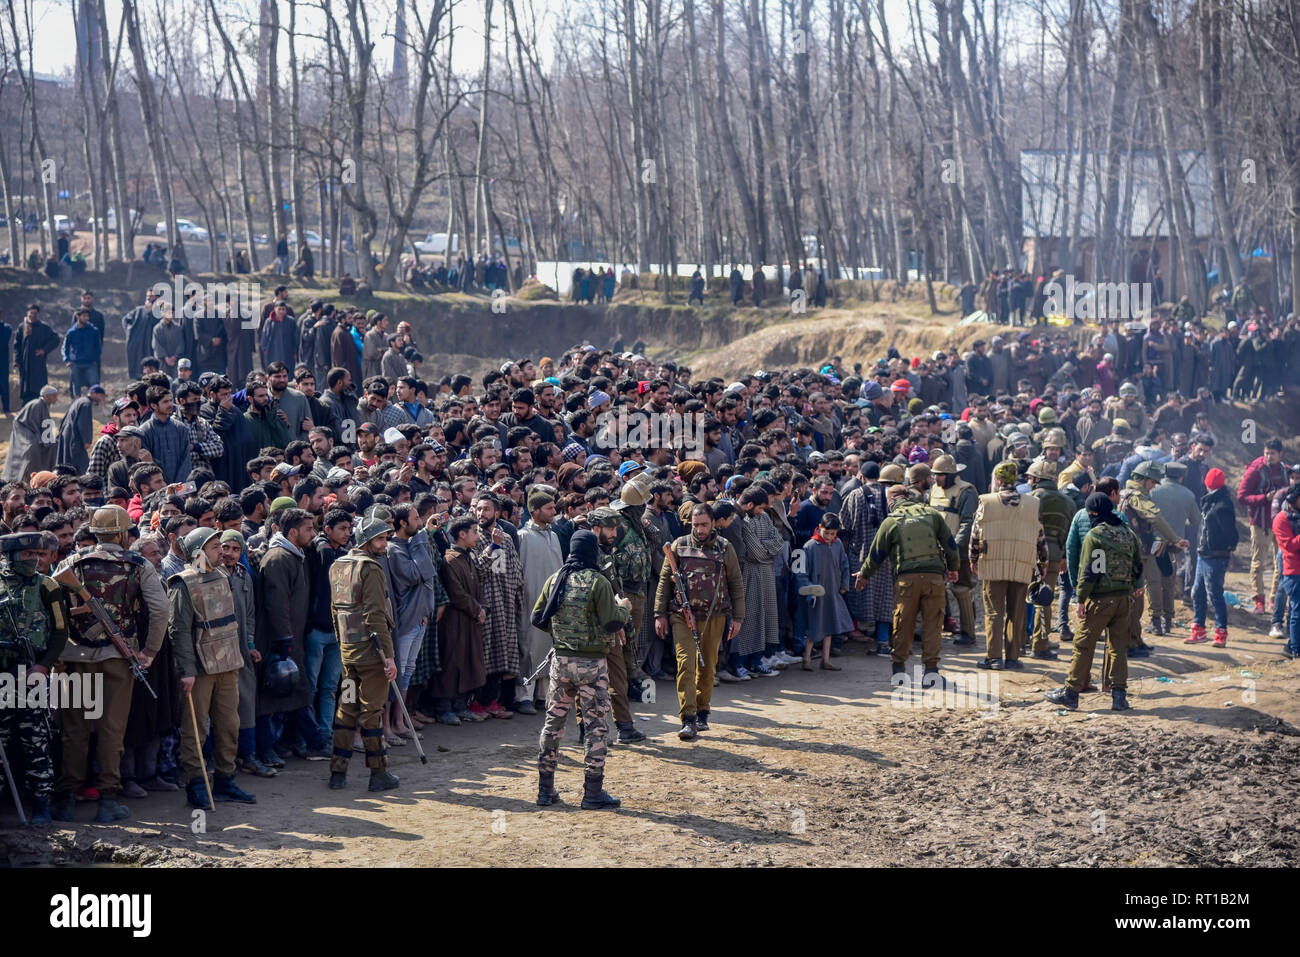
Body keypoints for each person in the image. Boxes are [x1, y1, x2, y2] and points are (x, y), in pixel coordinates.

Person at [51, 505, 169, 823]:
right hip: (118, 658)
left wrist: (56, 653)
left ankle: (65, 800)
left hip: (75, 656)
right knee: (111, 731)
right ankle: (107, 799)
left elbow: (52, 608)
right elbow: (159, 610)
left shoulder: (72, 562)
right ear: (121, 534)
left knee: (74, 731)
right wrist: (149, 652)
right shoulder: (138, 564)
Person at [530, 529, 627, 810]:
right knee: (596, 727)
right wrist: (624, 608)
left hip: (560, 663)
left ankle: (545, 791)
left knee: (553, 725)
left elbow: (538, 617)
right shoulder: (598, 582)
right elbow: (611, 623)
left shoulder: (555, 579)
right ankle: (592, 793)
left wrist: (562, 636)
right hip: (592, 665)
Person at [169, 527, 256, 806]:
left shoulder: (222, 575)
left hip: (228, 662)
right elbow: (178, 630)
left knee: (229, 724)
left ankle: (225, 779)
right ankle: (196, 783)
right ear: (199, 552)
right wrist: (187, 670)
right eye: (216, 546)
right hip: (200, 667)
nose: (222, 550)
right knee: (196, 728)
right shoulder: (183, 583)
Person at [1045, 492, 1144, 712]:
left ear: (1094, 513)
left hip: (1099, 600)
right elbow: (1138, 565)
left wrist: (1080, 599)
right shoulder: (1128, 533)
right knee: (1118, 648)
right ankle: (1119, 696)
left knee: (1083, 645)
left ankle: (1071, 692)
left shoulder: (1095, 536)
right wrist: (1137, 586)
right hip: (1123, 600)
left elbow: (1090, 571)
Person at [654, 503, 745, 741]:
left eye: (704, 524)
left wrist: (738, 618)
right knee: (686, 663)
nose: (700, 529)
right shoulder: (679, 545)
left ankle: (703, 711)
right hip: (682, 615)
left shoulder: (725, 548)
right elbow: (665, 581)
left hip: (714, 616)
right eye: (696, 525)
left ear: (713, 523)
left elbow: (736, 583)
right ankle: (689, 718)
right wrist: (659, 614)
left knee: (708, 666)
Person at [855, 480, 959, 684]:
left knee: (903, 624)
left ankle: (899, 671)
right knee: (933, 625)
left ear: (892, 500)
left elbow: (876, 554)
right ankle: (930, 673)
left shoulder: (891, 521)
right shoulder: (931, 515)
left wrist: (864, 575)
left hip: (907, 580)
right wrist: (953, 567)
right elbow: (949, 544)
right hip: (934, 579)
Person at [0, 531, 71, 826]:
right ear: (13, 556)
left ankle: (42, 802)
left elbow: (59, 631)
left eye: (39, 555)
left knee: (36, 740)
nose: (35, 560)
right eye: (28, 555)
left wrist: (43, 666)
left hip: (32, 674)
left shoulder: (47, 586)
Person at [326, 517, 401, 792]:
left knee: (346, 709)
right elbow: (375, 614)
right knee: (372, 711)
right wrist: (388, 657)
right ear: (367, 542)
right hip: (371, 656)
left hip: (348, 652)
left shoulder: (338, 565)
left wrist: (342, 644)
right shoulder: (371, 569)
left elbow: (335, 611)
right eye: (380, 539)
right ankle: (378, 772)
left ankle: (338, 772)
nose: (385, 544)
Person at [969, 460, 1046, 670]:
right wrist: (1043, 562)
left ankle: (994, 657)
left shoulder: (986, 501)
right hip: (1021, 564)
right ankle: (1013, 658)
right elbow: (1040, 535)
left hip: (993, 564)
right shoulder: (1031, 504)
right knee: (1017, 611)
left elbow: (975, 534)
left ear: (998, 480)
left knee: (994, 612)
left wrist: (973, 559)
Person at [928, 454, 979, 646]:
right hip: (935, 549)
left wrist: (955, 547)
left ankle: (968, 632)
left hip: (958, 551)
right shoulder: (933, 490)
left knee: (962, 588)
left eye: (940, 475)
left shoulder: (966, 492)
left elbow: (968, 522)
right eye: (934, 474)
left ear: (950, 474)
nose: (936, 478)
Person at [1186, 468, 1238, 648]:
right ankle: (1199, 628)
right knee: (1197, 592)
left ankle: (1221, 631)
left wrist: (1223, 550)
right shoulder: (1211, 501)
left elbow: (1230, 534)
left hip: (1214, 556)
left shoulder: (1222, 505)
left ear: (1208, 483)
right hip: (1204, 554)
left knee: (1214, 594)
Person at [1027, 459, 1072, 659]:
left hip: (1030, 554)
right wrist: (1063, 556)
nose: (1028, 481)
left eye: (1030, 478)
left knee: (1026, 598)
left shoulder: (1031, 498)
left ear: (1037, 479)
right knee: (1044, 600)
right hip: (1054, 556)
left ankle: (1026, 642)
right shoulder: (1068, 502)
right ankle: (1040, 642)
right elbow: (1069, 534)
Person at [1237, 438, 1287, 615]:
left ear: (1280, 454)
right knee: (1259, 563)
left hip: (1281, 524)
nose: (1268, 456)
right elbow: (1241, 496)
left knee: (1280, 562)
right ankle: (1259, 600)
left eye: (1272, 453)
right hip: (1260, 523)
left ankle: (1276, 599)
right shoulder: (1255, 469)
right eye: (1266, 452)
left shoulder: (1285, 471)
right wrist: (1264, 499)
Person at [2, 386, 59, 482]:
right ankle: (27, 479)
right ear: (46, 396)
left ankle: (47, 478)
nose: (56, 398)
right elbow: (21, 422)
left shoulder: (44, 405)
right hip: (26, 435)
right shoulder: (37, 404)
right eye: (54, 396)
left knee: (53, 446)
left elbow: (44, 427)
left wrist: (48, 440)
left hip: (36, 435)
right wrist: (34, 438)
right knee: (34, 449)